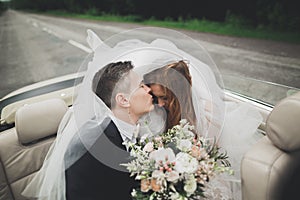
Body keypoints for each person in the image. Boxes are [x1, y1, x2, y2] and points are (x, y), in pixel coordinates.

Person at [22, 61, 154, 200]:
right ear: (123, 100)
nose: (148, 89)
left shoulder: (128, 129)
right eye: (141, 86)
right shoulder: (98, 147)